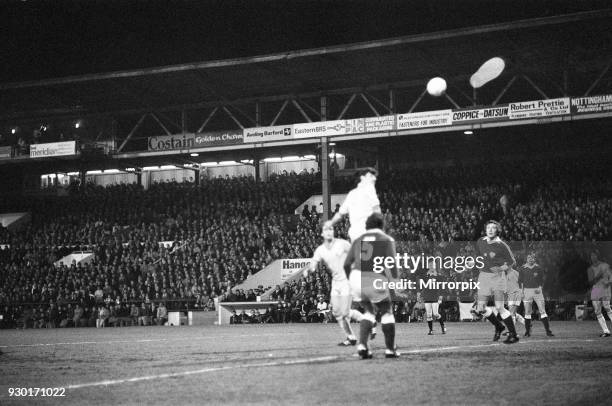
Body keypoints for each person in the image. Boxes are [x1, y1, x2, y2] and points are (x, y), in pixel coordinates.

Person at [344, 212, 399, 359]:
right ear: (382, 225)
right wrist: (395, 282)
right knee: (387, 310)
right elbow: (392, 265)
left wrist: (351, 280)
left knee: (369, 312)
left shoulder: (358, 240)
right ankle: (390, 350)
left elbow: (347, 264)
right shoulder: (386, 239)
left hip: (356, 277)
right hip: (373, 276)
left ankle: (362, 345)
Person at [304, 222, 363, 346]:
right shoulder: (320, 250)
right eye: (326, 230)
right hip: (336, 283)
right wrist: (308, 270)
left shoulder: (342, 244)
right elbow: (314, 264)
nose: (329, 231)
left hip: (347, 280)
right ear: (322, 234)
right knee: (336, 312)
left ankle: (365, 322)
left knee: (344, 312)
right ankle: (351, 337)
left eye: (331, 229)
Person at [474, 220, 519, 344]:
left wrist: (500, 268)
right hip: (483, 277)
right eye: (488, 227)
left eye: (493, 228)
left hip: (498, 278)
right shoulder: (480, 241)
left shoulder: (502, 245)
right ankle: (499, 326)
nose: (490, 230)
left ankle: (513, 335)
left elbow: (512, 262)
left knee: (499, 307)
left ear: (497, 230)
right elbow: (480, 258)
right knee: (481, 308)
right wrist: (473, 262)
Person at [326, 167, 380, 242]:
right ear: (363, 178)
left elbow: (340, 214)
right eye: (371, 176)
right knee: (365, 253)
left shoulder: (352, 194)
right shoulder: (367, 190)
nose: (374, 178)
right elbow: (377, 210)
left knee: (362, 253)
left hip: (358, 234)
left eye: (375, 176)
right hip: (365, 234)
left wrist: (330, 223)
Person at [520, 253, 553, 337]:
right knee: (527, 312)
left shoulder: (538, 268)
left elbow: (542, 280)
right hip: (526, 291)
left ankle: (548, 331)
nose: (530, 259)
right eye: (529, 257)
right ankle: (527, 332)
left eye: (532, 258)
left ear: (534, 259)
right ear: (526, 259)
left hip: (537, 291)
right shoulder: (522, 268)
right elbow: (521, 282)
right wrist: (521, 292)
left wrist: (540, 287)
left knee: (542, 310)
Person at [587, 251, 612, 337]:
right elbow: (590, 281)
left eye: (594, 255)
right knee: (597, 311)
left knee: (607, 308)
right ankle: (606, 331)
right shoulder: (590, 269)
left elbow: (611, 277)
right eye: (591, 256)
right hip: (596, 290)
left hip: (605, 289)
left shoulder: (605, 265)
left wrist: (608, 283)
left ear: (598, 256)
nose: (593, 257)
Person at [422, 260, 446, 335]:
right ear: (428, 266)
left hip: (435, 296)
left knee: (435, 313)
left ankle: (443, 326)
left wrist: (440, 296)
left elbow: (441, 287)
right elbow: (423, 286)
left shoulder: (439, 276)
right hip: (427, 297)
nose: (432, 266)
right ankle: (431, 330)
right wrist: (421, 295)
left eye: (433, 265)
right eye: (430, 265)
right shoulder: (425, 276)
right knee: (429, 314)